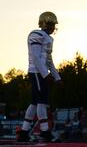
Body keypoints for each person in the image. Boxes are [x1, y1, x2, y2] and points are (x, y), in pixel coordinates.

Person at [17, 12, 61, 143]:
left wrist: (57, 76)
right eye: (51, 24)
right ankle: (45, 132)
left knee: (35, 102)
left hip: (40, 72)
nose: (53, 27)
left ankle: (24, 132)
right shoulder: (37, 34)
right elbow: (36, 58)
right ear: (44, 23)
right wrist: (46, 75)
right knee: (42, 101)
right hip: (36, 71)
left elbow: (49, 60)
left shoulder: (47, 38)